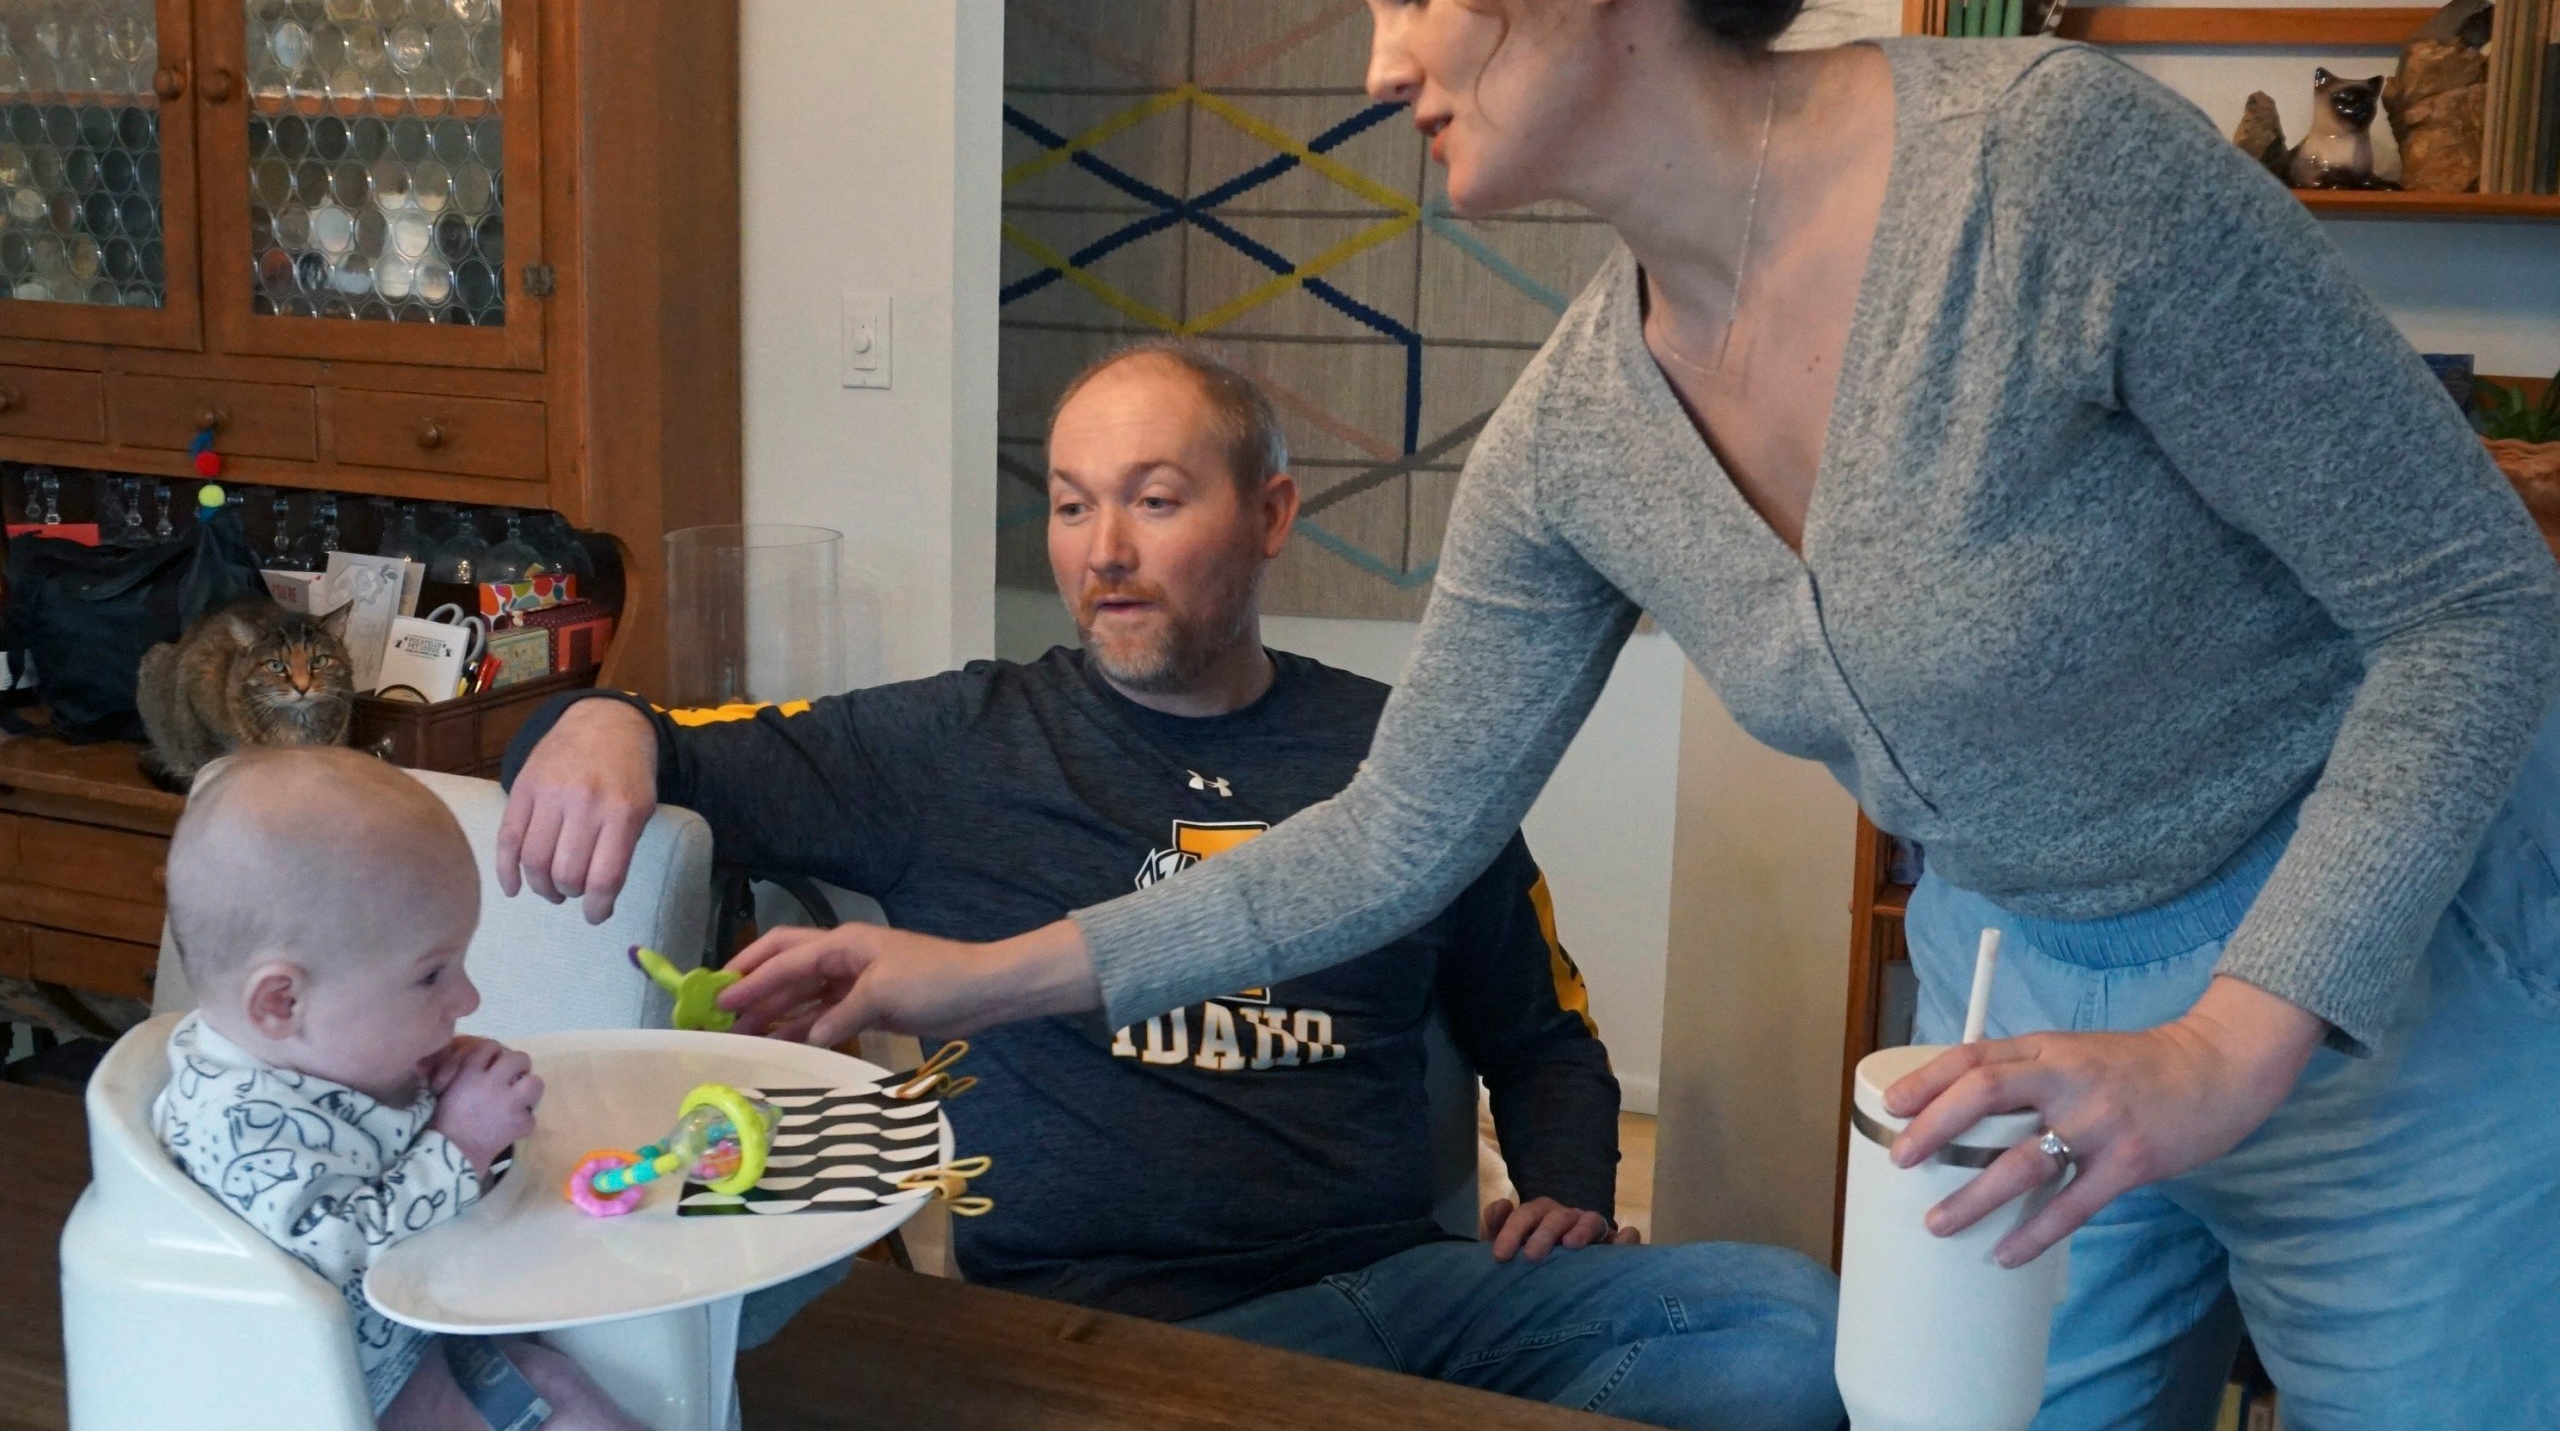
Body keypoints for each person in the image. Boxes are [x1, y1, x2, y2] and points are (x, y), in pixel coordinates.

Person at [534, 0, 2560, 1428]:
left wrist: (2231, 1038)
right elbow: (1388, 834)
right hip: (2016, 1008)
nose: (1376, 57)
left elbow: (2472, 606)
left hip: (2387, 968)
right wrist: (963, 978)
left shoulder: (2045, 174)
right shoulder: (1578, 431)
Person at [499, 343, 1843, 1429]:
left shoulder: (1402, 755)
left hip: (1397, 1291)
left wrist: (1568, 1191)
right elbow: (665, 753)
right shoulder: (959, 743)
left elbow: (1540, 1032)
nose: (1103, 553)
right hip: (1097, 1329)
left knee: (1796, 1335)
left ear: (1269, 515)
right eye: (1075, 506)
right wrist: (601, 720)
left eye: (1153, 498)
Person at [153, 747, 642, 1431]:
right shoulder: (242, 1125)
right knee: (564, 1404)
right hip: (343, 1393)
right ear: (281, 1002)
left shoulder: (312, 1060)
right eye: (430, 977)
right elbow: (344, 1251)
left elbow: (367, 1143)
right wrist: (459, 1140)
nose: (467, 998)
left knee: (578, 1365)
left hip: (414, 1336)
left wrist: (434, 1097)